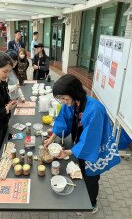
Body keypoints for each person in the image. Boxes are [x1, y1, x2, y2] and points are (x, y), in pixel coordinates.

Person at [44, 74, 120, 214]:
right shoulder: (72, 102)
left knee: (91, 176)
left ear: (74, 92)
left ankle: (91, 203)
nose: (63, 101)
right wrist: (52, 138)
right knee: (81, 170)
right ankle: (82, 198)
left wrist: (67, 152)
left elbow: (91, 138)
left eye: (65, 98)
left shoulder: (94, 108)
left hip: (95, 147)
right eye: (60, 98)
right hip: (81, 143)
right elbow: (63, 120)